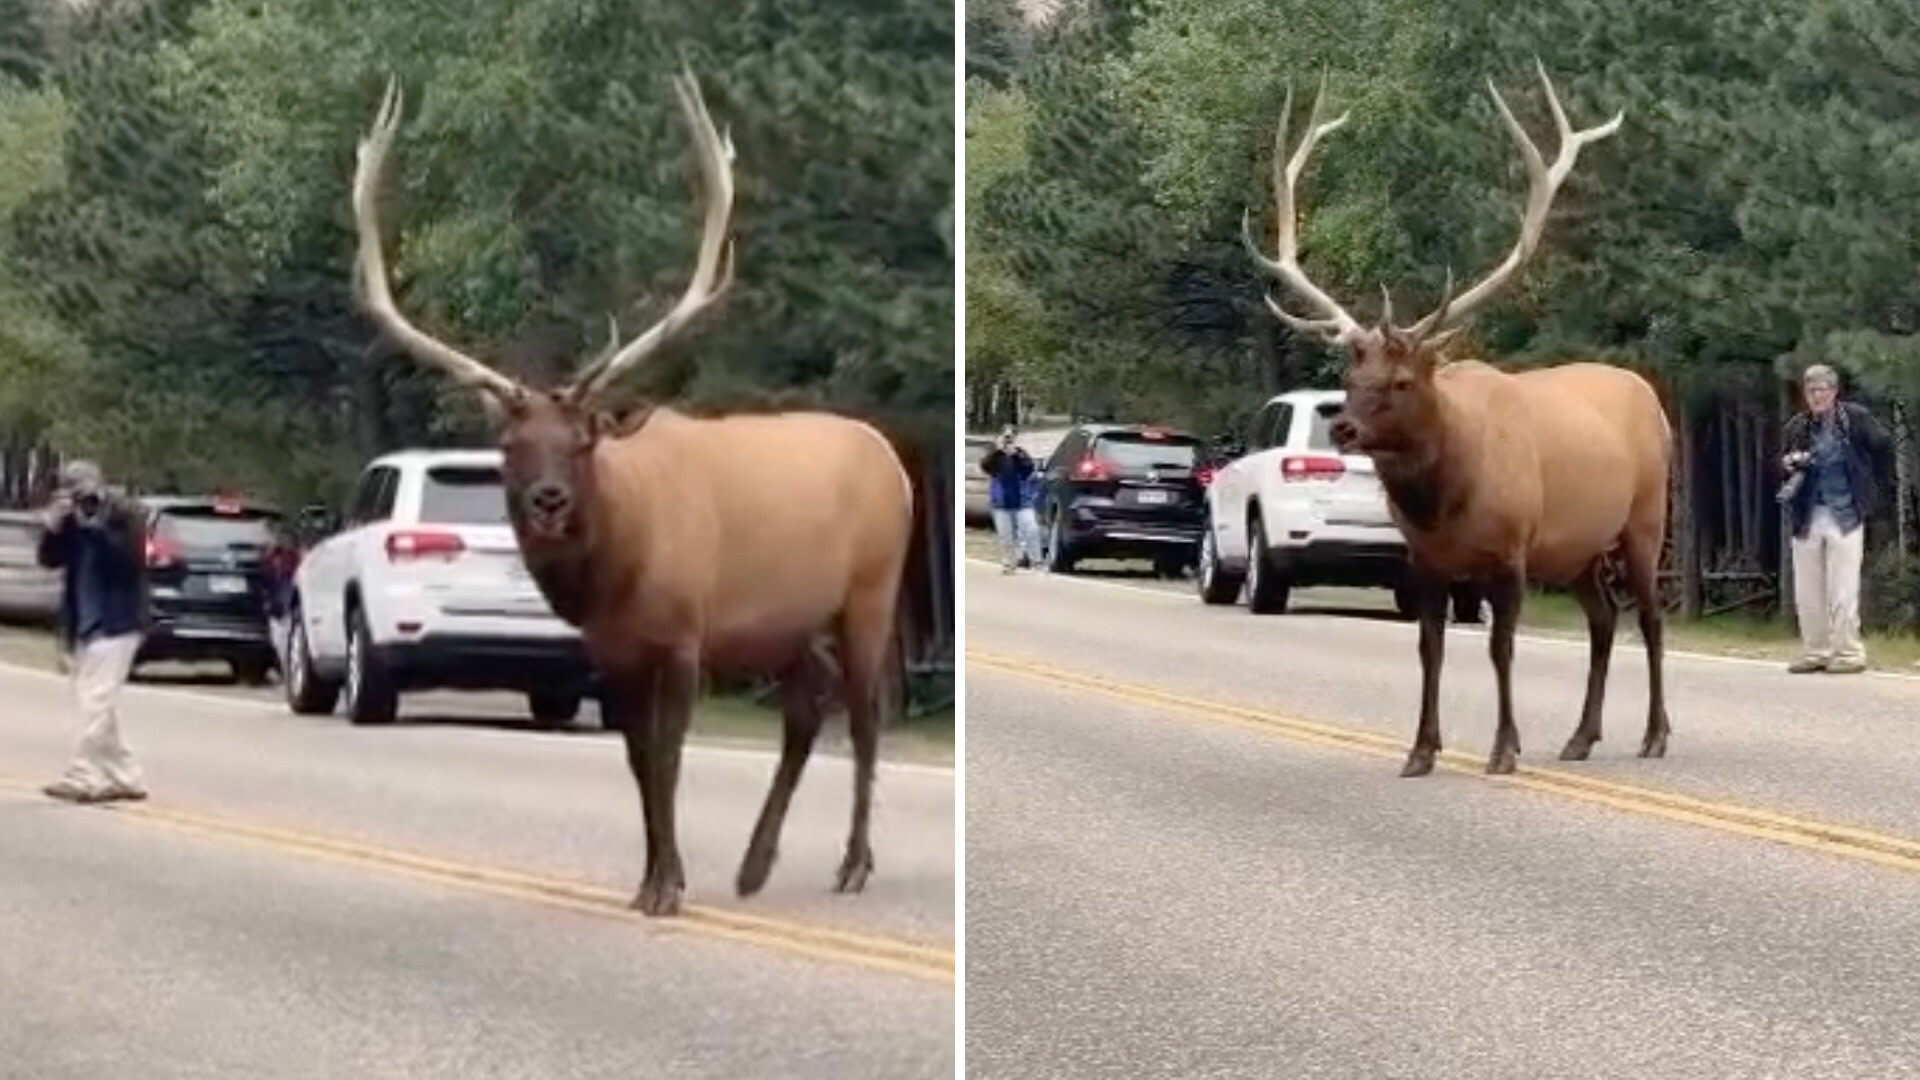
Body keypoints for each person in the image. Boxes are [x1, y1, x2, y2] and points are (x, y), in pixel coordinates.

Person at [35, 459, 151, 802]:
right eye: (71, 490)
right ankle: (126, 774)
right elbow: (48, 559)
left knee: (94, 700)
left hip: (119, 622)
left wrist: (96, 526)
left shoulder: (125, 515)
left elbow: (129, 562)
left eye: (83, 488)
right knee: (100, 705)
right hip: (86, 624)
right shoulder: (70, 522)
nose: (79, 497)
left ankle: (83, 775)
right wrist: (53, 527)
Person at [1778, 364, 1891, 674]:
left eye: (1822, 390)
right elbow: (1783, 467)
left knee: (1843, 590)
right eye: (1811, 390)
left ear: (1834, 391)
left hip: (1846, 514)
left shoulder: (1855, 419)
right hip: (1807, 515)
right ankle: (1816, 650)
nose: (1817, 396)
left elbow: (1883, 448)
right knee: (1808, 591)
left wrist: (1871, 489)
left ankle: (1849, 652)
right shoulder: (1797, 427)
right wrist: (1790, 464)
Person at [979, 427, 1038, 572]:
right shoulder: (994, 456)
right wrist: (997, 451)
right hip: (1001, 501)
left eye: (1011, 437)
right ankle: (1009, 563)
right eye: (1005, 437)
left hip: (1022, 500)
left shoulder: (1021, 454)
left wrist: (1016, 454)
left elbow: (1028, 469)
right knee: (1006, 535)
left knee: (1031, 529)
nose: (1008, 440)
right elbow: (985, 467)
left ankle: (1036, 561)